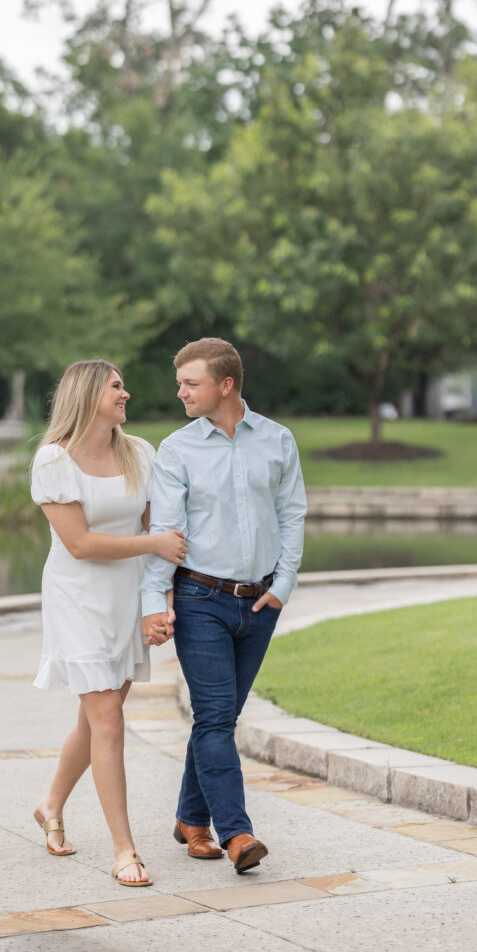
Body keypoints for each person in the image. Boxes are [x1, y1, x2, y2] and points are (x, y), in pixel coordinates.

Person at [141, 338, 306, 874]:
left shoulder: (279, 440)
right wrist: (154, 603)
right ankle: (237, 832)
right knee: (214, 717)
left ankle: (191, 819)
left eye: (191, 383)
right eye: (180, 383)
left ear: (226, 384)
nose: (181, 392)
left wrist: (282, 585)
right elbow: (166, 532)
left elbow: (292, 515)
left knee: (220, 717)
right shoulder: (177, 450)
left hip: (258, 602)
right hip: (199, 599)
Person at [30, 359, 187, 887]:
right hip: (77, 599)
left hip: (127, 598)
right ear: (88, 394)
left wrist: (159, 603)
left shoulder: (140, 452)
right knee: (109, 720)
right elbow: (80, 544)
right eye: (117, 386)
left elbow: (159, 532)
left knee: (99, 715)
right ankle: (125, 851)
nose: (126, 393)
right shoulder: (54, 460)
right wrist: (154, 544)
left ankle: (50, 804)